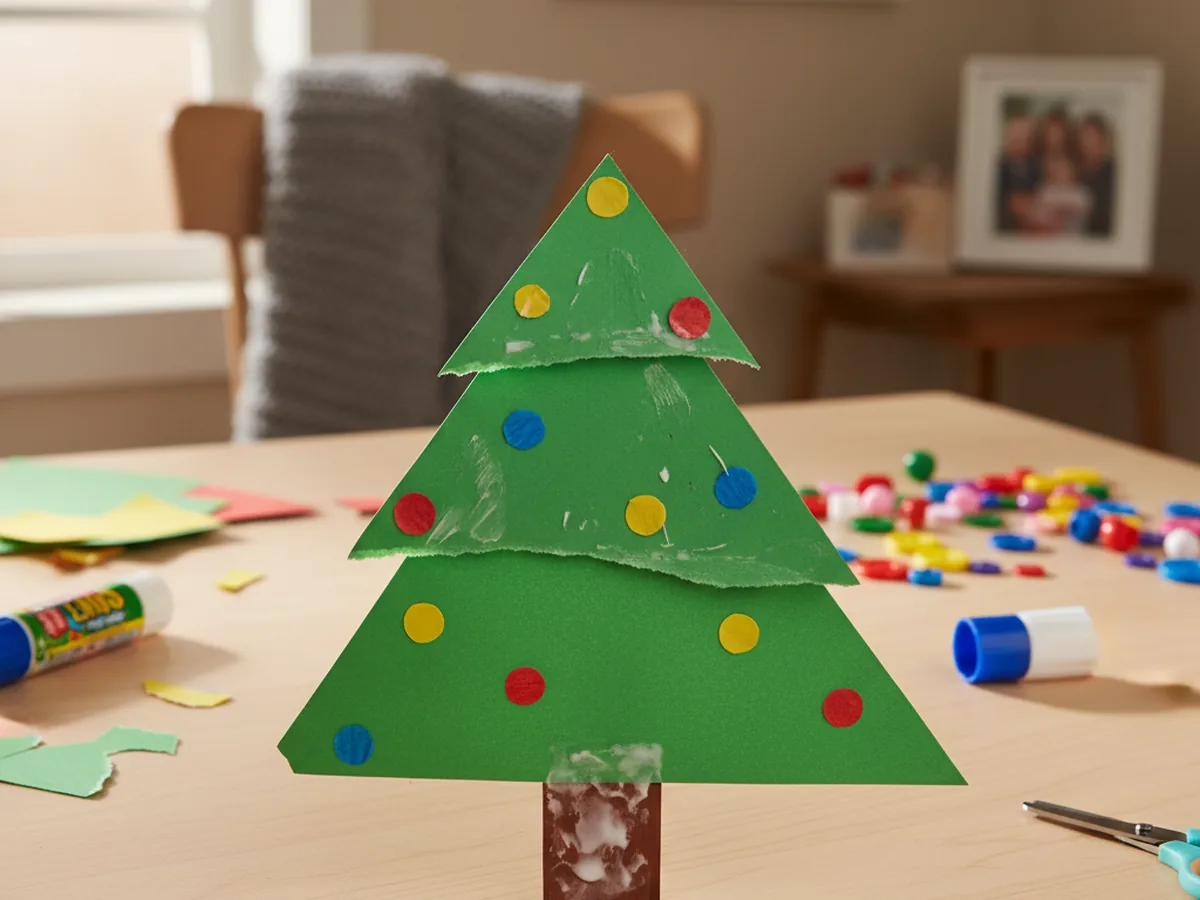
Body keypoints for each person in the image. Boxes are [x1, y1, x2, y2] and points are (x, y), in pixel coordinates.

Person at [995, 112, 1040, 233]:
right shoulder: (998, 167)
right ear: (1008, 136)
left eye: (1026, 139)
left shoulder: (1034, 165)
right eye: (1017, 138)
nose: (1022, 143)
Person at [1030, 152, 1092, 234]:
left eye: (1065, 169)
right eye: (1058, 169)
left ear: (1072, 172)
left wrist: (1054, 209)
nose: (1061, 173)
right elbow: (1038, 214)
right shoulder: (1044, 190)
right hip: (1047, 237)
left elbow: (1080, 210)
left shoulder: (1081, 192)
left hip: (1075, 238)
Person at [1076, 112, 1117, 237]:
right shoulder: (1074, 170)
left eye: (1092, 136)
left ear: (1103, 139)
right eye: (1084, 136)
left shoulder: (1112, 171)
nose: (1087, 142)